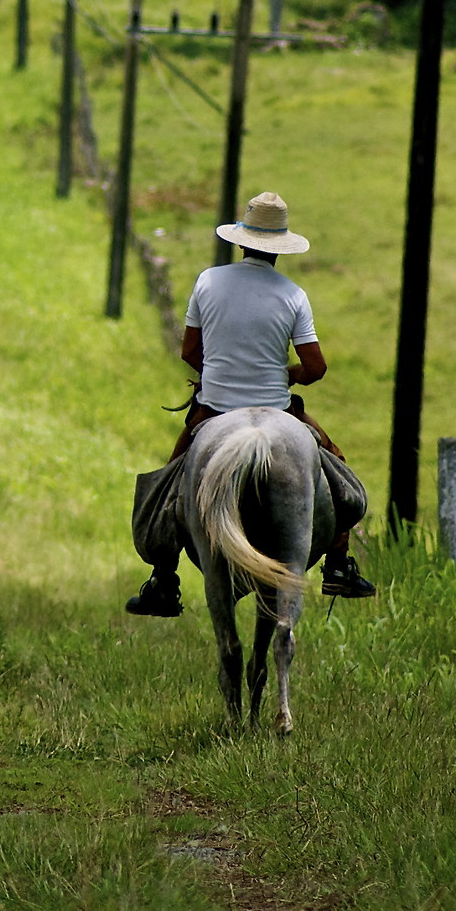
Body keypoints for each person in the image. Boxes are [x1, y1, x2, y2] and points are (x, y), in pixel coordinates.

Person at [127, 191, 376, 617]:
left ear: (241, 240)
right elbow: (316, 366)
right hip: (278, 410)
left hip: (214, 409)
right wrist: (289, 374)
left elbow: (190, 351)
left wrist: (218, 372)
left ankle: (163, 579)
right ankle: (338, 564)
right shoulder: (293, 295)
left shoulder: (207, 281)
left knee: (171, 482)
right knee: (336, 465)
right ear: (280, 248)